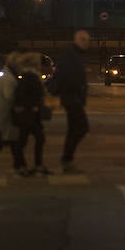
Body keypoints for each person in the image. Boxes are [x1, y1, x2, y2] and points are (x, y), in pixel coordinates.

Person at [49, 30, 90, 174]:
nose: (86, 43)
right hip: (72, 98)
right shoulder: (72, 56)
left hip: (72, 97)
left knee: (74, 129)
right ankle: (66, 158)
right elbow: (63, 75)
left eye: (87, 40)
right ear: (76, 40)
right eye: (83, 40)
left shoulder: (74, 55)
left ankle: (67, 160)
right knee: (82, 127)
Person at [12, 52, 52, 176]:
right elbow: (25, 95)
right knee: (31, 139)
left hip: (29, 113)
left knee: (26, 140)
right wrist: (34, 106)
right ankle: (26, 166)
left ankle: (25, 165)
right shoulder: (30, 77)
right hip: (28, 113)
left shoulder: (29, 76)